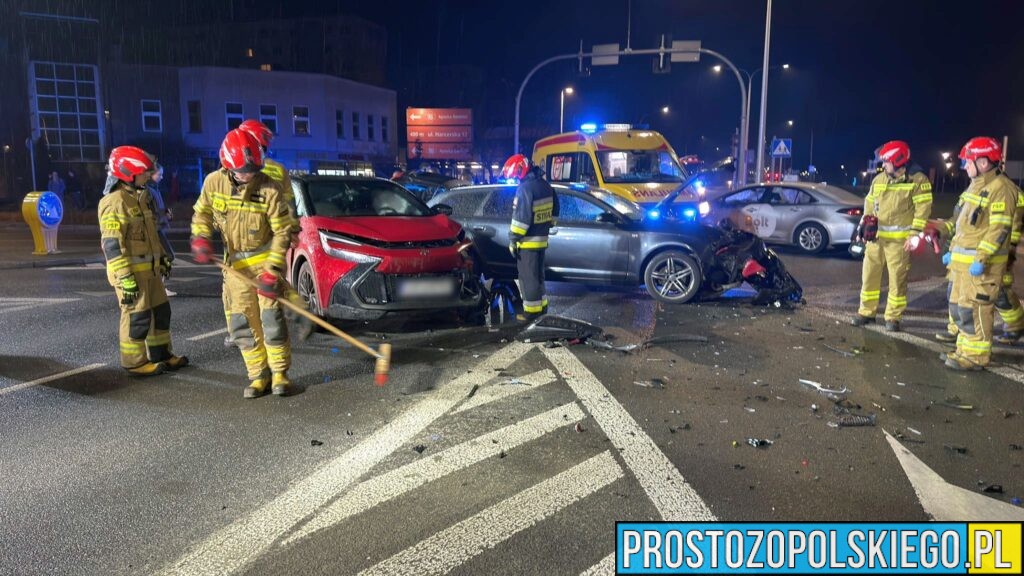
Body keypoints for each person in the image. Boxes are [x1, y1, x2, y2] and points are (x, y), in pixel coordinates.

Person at [191, 129, 295, 398]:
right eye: (243, 171)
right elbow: (201, 213)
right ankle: (258, 375)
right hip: (235, 269)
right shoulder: (213, 183)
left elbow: (283, 232)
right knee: (243, 324)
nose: (249, 175)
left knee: (272, 320)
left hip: (265, 264)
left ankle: (280, 374)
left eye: (254, 169)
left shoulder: (269, 190)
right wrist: (201, 238)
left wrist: (272, 272)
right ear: (228, 166)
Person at [98, 146, 188, 376]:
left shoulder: (142, 197)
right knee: (137, 317)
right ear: (129, 173)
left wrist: (163, 257)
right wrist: (125, 278)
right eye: (144, 172)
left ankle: (162, 355)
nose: (149, 175)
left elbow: (151, 234)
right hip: (131, 275)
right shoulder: (114, 202)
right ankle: (135, 363)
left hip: (150, 271)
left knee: (161, 312)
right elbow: (112, 245)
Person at [941, 137, 1020, 371]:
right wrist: (952, 252)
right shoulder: (976, 185)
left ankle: (976, 357)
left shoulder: (1001, 189)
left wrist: (982, 258)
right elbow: (965, 226)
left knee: (975, 310)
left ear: (983, 162)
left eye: (968, 161)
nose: (964, 165)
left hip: (981, 266)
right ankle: (964, 351)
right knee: (959, 309)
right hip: (962, 264)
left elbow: (1000, 228)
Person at [852, 141, 933, 331]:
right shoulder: (879, 180)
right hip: (876, 240)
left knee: (897, 280)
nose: (884, 165)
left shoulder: (918, 180)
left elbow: (923, 210)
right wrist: (863, 226)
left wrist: (914, 235)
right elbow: (869, 204)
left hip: (900, 242)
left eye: (887, 161)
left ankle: (893, 317)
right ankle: (866, 313)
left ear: (898, 160)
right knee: (869, 277)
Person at [503, 154, 558, 321]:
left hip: (527, 243)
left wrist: (513, 240)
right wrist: (547, 225)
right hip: (542, 241)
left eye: (515, 175)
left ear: (521, 169)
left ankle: (531, 314)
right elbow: (554, 213)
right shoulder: (545, 185)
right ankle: (542, 310)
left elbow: (521, 220)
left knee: (528, 280)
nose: (515, 179)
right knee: (539, 278)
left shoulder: (525, 189)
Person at [146, 161, 177, 297]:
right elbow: (150, 213)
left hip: (158, 228)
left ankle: (159, 287)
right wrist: (163, 214)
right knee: (167, 256)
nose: (162, 177)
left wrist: (166, 214)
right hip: (154, 230)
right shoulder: (148, 191)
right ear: (152, 174)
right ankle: (159, 288)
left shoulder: (154, 189)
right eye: (160, 174)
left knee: (163, 258)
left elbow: (157, 210)